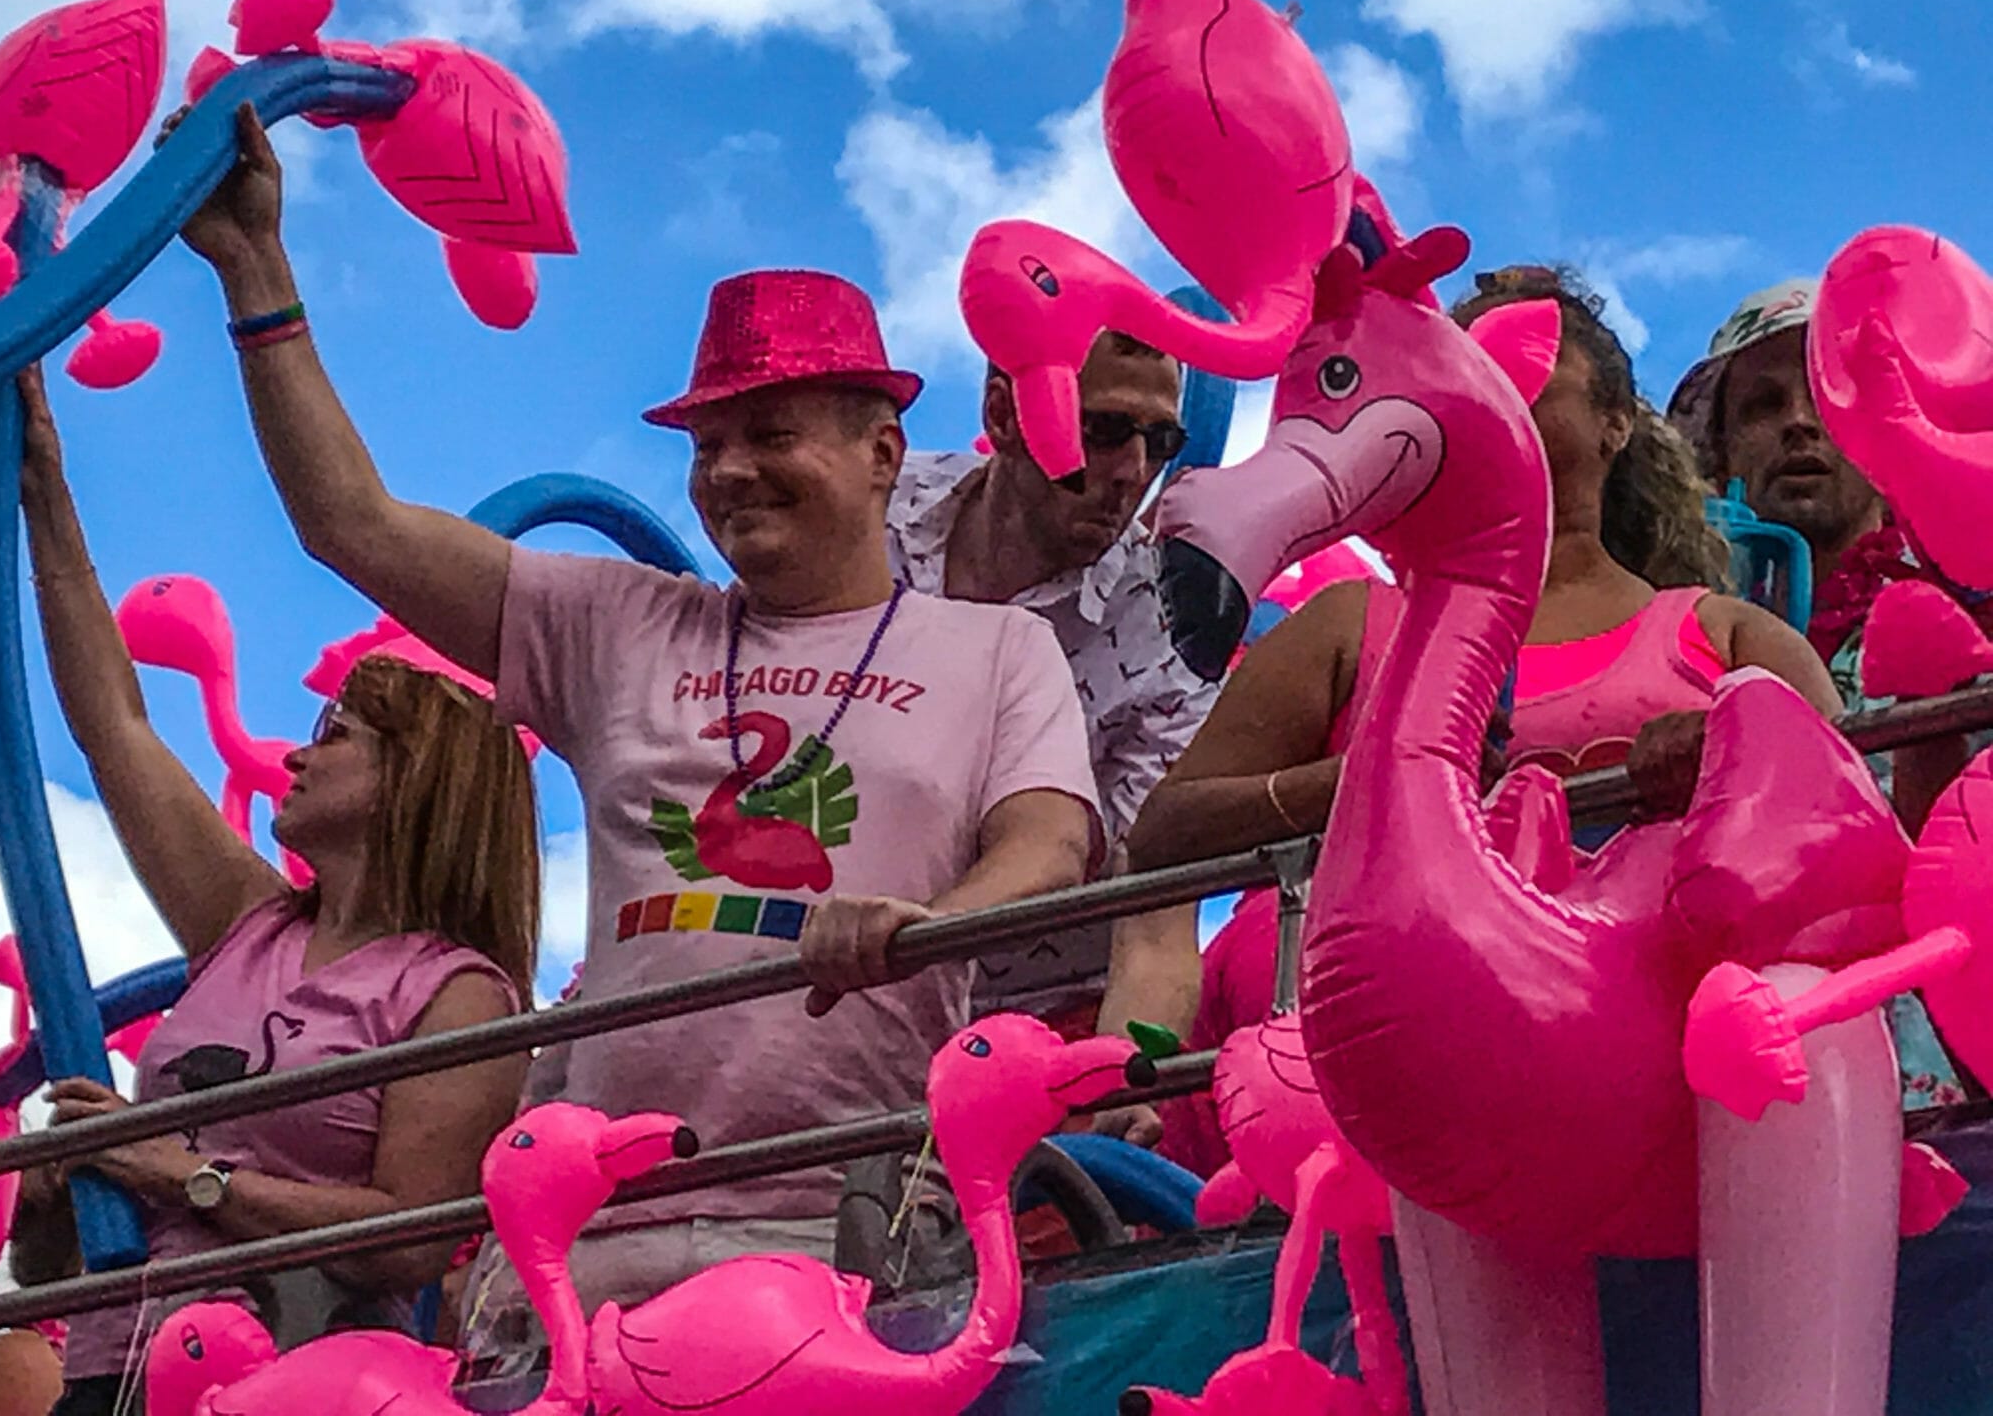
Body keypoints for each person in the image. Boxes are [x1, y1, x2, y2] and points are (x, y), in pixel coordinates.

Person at [166, 106, 1101, 1347]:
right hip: (580, 1232)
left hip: (847, 1217)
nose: (727, 472)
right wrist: (257, 272)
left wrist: (930, 928)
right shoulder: (614, 623)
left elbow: (1045, 845)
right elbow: (352, 523)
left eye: (770, 434)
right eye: (708, 443)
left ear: (882, 454)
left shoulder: (994, 649)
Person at [1128, 267, 1840, 1175]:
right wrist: (1366, 783)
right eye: (1452, 366)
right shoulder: (1350, 625)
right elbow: (1160, 836)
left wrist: (1732, 758)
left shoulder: (1721, 631)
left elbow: (1844, 818)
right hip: (1391, 1090)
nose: (1479, 387)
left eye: (1523, 368)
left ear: (1617, 422)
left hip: (1681, 1087)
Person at [17, 363, 538, 1415]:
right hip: (114, 1374)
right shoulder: (245, 925)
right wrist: (42, 492)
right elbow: (117, 728)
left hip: (294, 1386)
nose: (296, 761)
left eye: (336, 737)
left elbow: (406, 1239)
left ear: (420, 783)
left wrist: (180, 1176)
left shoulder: (460, 996)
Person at [888, 330, 1218, 1143]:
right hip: (836, 993)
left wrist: (1122, 1070)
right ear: (1002, 412)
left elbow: (1156, 920)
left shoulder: (1172, 632)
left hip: (1041, 1028)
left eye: (1159, 441)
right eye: (1103, 430)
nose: (1132, 472)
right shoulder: (873, 508)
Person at [1670, 277, 1987, 1108]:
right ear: (1722, 455)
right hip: (1752, 1082)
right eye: (1764, 405)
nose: (1800, 424)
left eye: (1825, 397)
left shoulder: (1976, 602)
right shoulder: (1678, 644)